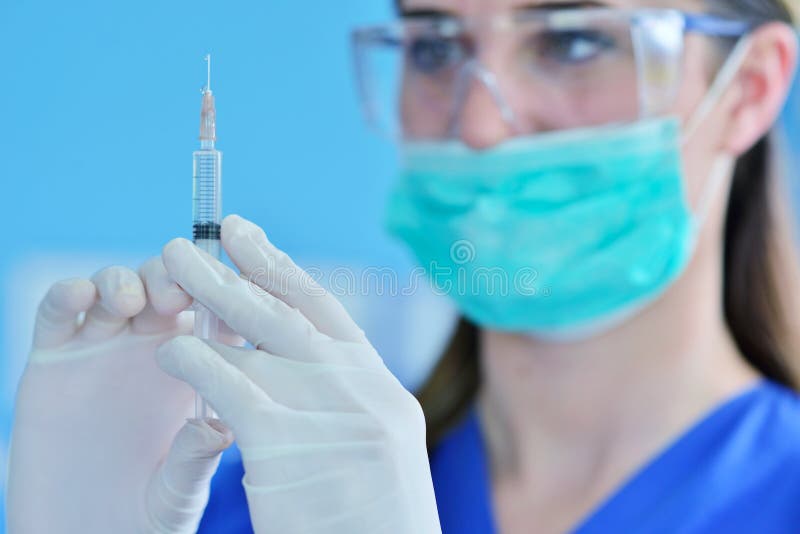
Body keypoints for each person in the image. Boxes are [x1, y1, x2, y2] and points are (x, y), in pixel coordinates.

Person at [8, 0, 800, 532]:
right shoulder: (277, 498)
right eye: (435, 46)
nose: (481, 123)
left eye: (573, 39)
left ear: (749, 89)